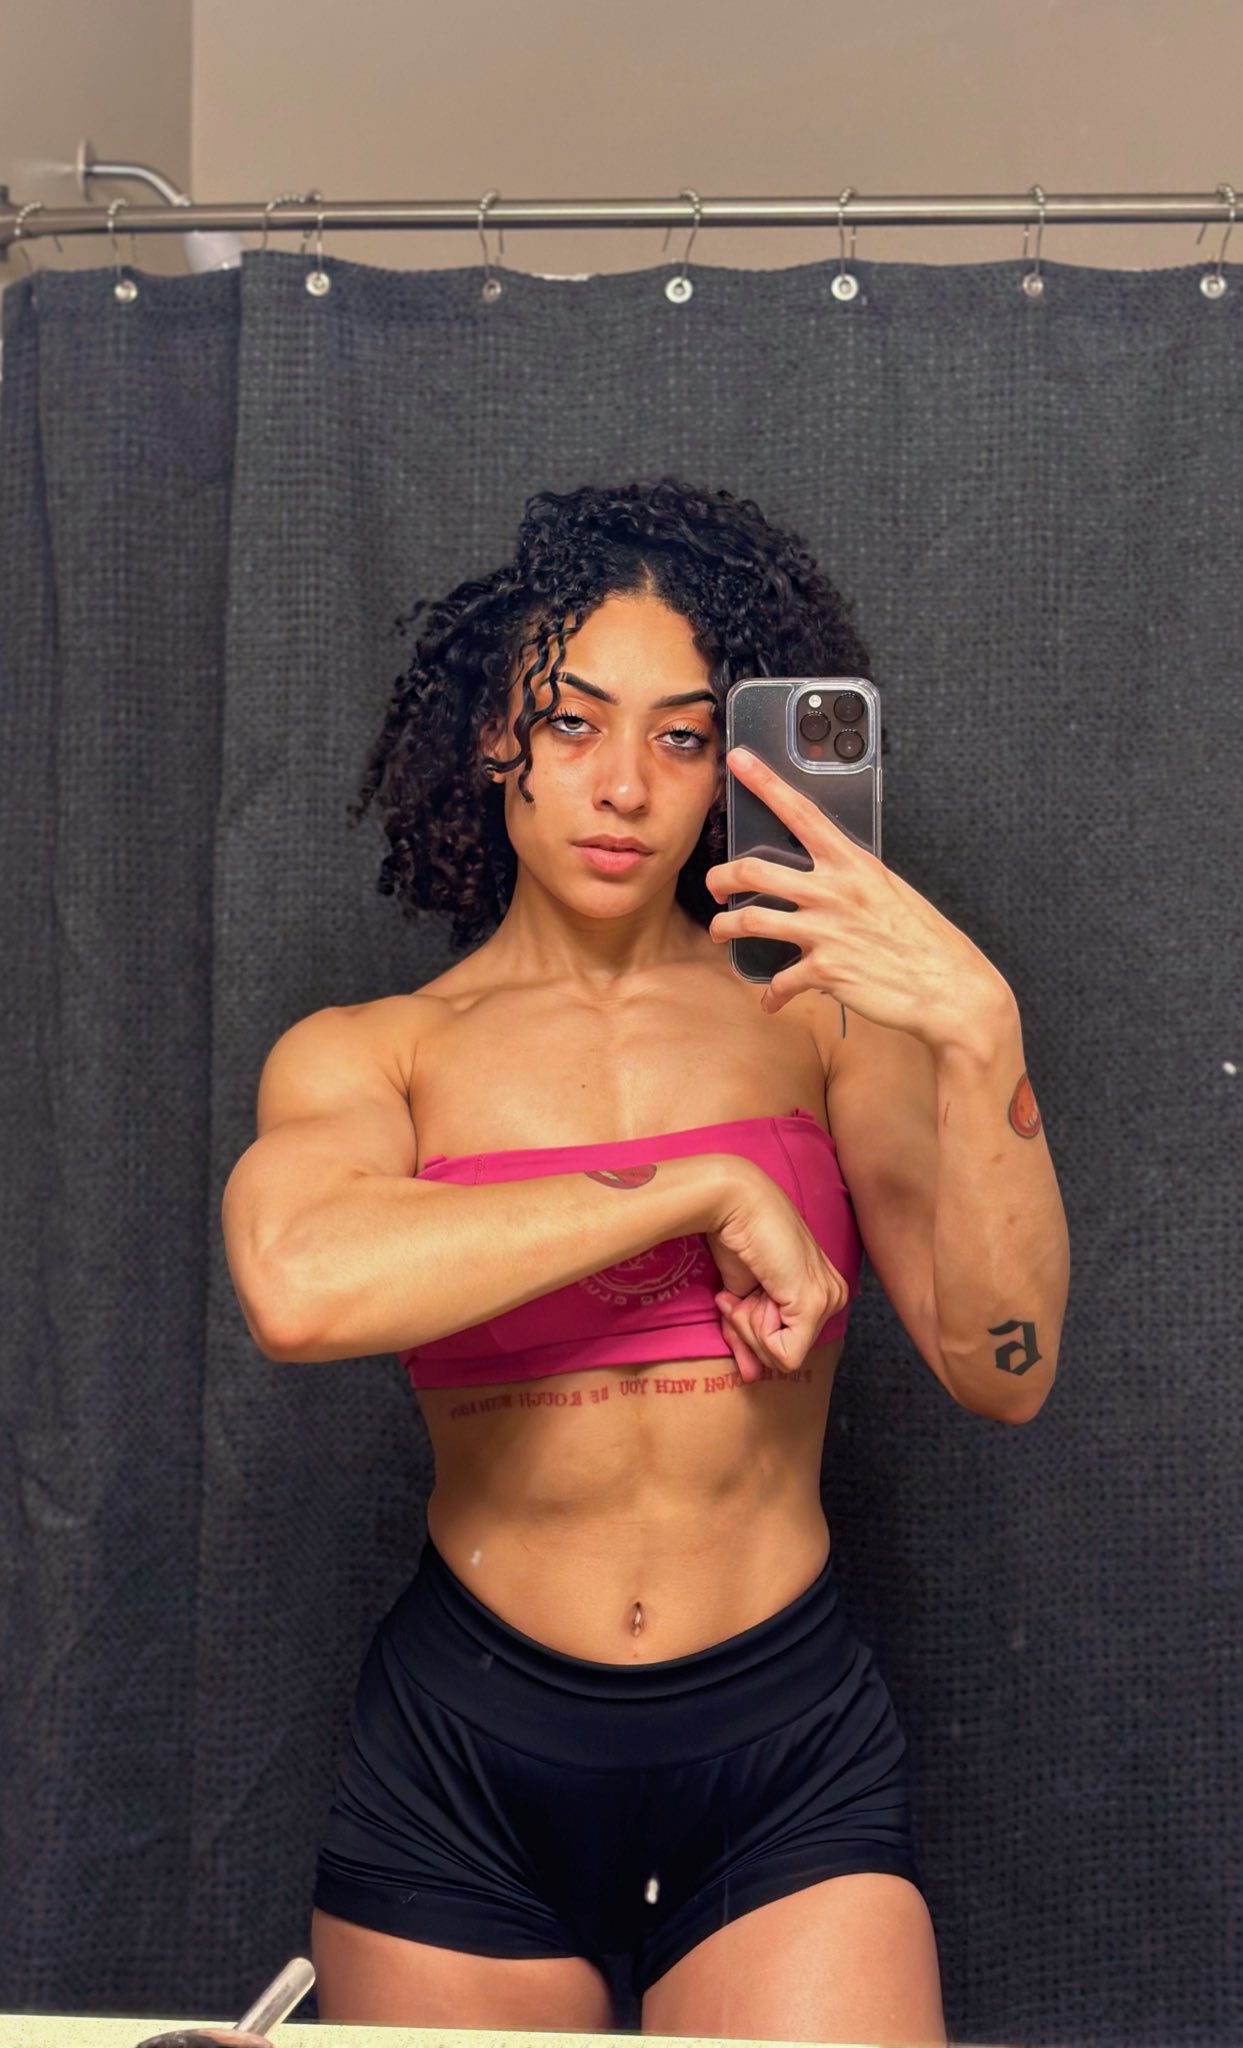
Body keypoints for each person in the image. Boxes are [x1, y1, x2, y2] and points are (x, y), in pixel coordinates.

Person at [223, 476, 983, 2044]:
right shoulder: (379, 1050)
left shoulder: (823, 1020)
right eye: (571, 724)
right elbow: (298, 1282)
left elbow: (1002, 1360)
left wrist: (985, 1038)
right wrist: (692, 1187)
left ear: (733, 766)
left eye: (683, 738)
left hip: (782, 1749)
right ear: (488, 739)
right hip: (463, 1766)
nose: (624, 784)